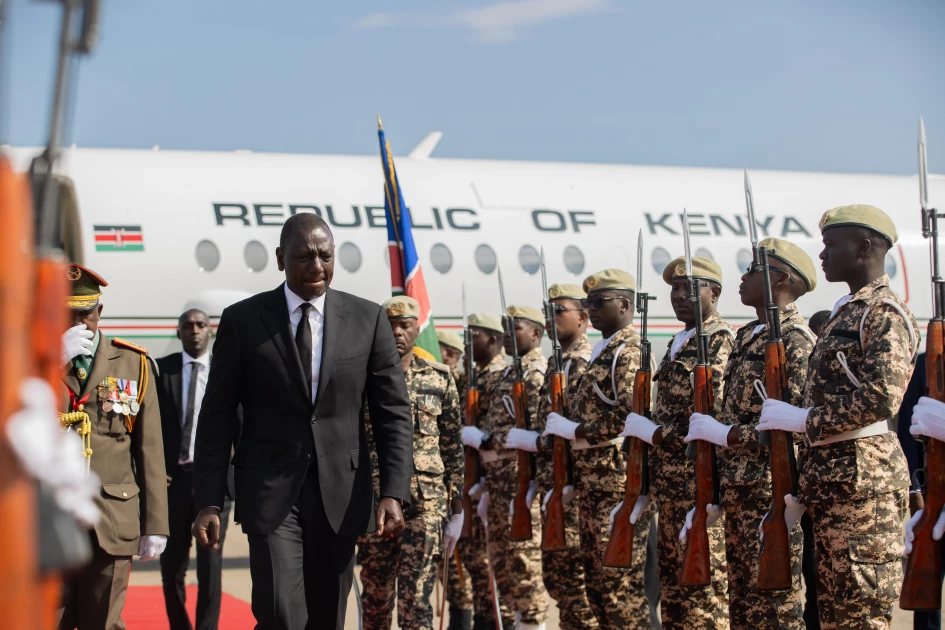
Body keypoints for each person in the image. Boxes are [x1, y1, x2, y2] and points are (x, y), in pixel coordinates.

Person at [192, 213, 414, 630]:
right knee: (279, 612)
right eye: (304, 256)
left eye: (325, 256)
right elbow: (217, 417)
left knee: (328, 615)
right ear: (280, 259)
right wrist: (208, 499)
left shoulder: (367, 319)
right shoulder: (243, 321)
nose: (316, 266)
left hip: (341, 493)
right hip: (270, 489)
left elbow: (392, 411)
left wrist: (394, 492)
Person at [759, 205, 917, 629]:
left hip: (864, 490)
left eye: (832, 244)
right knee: (833, 614)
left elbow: (882, 397)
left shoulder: (882, 313)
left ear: (864, 246)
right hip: (834, 486)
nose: (823, 254)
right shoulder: (846, 312)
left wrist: (803, 420)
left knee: (861, 615)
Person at [683, 239, 817, 629]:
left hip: (771, 492)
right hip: (740, 491)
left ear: (780, 279)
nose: (742, 277)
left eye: (752, 271)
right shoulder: (747, 337)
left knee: (774, 606)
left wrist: (727, 435)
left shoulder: (795, 340)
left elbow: (795, 426)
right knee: (741, 606)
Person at [621, 256, 734, 630]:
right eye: (675, 288)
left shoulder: (719, 342)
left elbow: (711, 418)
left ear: (714, 293)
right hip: (671, 492)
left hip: (700, 490)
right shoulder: (676, 343)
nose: (680, 295)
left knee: (702, 601)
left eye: (691, 287)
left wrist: (654, 433)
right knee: (672, 601)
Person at [57, 263, 169, 630]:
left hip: (111, 520)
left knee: (103, 622)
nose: (77, 324)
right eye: (67, 315)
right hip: (49, 521)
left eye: (85, 314)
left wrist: (156, 524)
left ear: (99, 312)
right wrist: (51, 364)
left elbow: (149, 450)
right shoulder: (32, 362)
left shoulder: (131, 363)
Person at [541, 272, 653, 630]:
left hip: (616, 485)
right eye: (589, 302)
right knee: (598, 592)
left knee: (620, 593)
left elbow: (629, 415)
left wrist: (575, 431)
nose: (593, 309)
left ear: (625, 305)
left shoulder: (628, 350)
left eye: (600, 302)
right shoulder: (604, 352)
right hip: (593, 485)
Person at [358, 296, 464, 630]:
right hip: (376, 502)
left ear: (418, 330)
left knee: (416, 602)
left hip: (426, 503)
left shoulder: (440, 378)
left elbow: (452, 445)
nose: (397, 333)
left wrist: (457, 507)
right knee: (375, 601)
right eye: (390, 326)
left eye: (405, 325)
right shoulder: (362, 381)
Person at [463, 306, 549, 630]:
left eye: (517, 329)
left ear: (537, 334)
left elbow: (539, 433)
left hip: (522, 485)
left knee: (524, 567)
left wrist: (487, 440)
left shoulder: (539, 370)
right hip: (499, 485)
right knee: (503, 568)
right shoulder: (508, 374)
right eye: (506, 329)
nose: (509, 336)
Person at [157, 309, 238, 630]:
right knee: (171, 567)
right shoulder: (163, 371)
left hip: (214, 485)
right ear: (178, 333)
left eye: (201, 325)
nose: (194, 331)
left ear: (210, 332)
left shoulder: (225, 372)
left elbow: (240, 427)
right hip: (172, 483)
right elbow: (149, 428)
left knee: (210, 566)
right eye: (188, 326)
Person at [463, 313, 511, 629]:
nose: (468, 342)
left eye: (474, 335)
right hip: (481, 483)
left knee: (502, 569)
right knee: (478, 565)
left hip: (500, 481)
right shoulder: (476, 376)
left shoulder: (503, 375)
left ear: (493, 339)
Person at [898, 353, 945, 630]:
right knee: (926, 589)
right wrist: (914, 489)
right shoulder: (927, 363)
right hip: (932, 491)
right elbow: (906, 428)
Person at [435, 328, 475, 630]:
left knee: (463, 563)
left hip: (466, 484)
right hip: (438, 481)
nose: (445, 358)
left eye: (451, 353)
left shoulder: (464, 388)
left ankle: (462, 620)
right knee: (442, 563)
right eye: (441, 352)